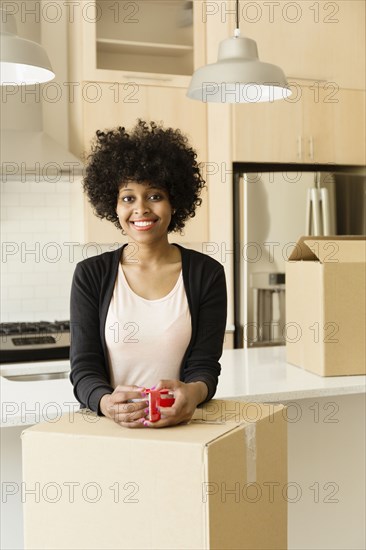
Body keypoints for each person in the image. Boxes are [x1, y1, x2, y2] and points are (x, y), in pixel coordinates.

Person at [70, 120, 227, 428]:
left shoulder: (207, 274)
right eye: (128, 197)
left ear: (174, 201)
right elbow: (84, 368)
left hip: (182, 428)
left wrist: (192, 395)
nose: (141, 209)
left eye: (154, 195)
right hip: (112, 430)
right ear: (113, 206)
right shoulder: (91, 275)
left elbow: (205, 367)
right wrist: (106, 403)